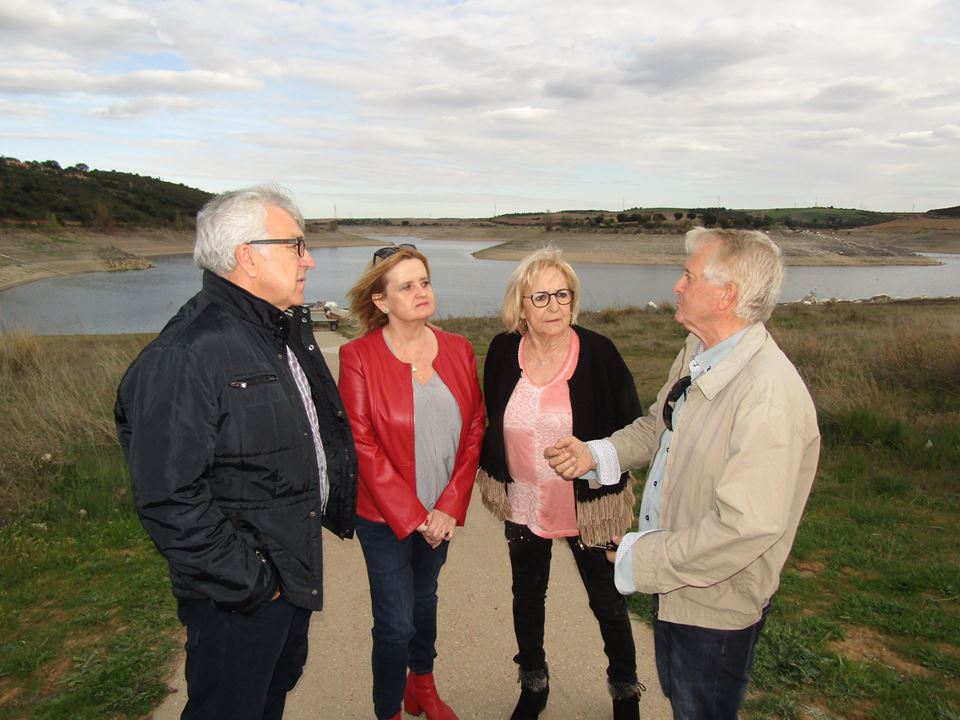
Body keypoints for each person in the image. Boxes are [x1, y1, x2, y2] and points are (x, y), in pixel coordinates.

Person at [547, 228, 821, 720]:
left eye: (689, 276)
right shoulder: (699, 351)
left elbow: (746, 528)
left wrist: (641, 555)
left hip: (715, 604)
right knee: (680, 700)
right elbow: (660, 424)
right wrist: (596, 454)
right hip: (680, 582)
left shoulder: (766, 398)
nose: (676, 285)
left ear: (727, 295)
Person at [115, 186, 357, 720]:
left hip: (287, 572)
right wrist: (251, 583)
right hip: (238, 596)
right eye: (296, 245)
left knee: (270, 696)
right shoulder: (187, 354)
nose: (309, 259)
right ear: (247, 255)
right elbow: (168, 498)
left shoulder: (277, 329)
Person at [476, 248, 644, 720]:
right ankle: (534, 683)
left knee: (607, 603)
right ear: (521, 306)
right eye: (542, 296)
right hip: (526, 502)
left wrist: (595, 463)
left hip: (587, 505)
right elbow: (494, 420)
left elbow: (632, 429)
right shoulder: (503, 353)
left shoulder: (600, 353)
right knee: (527, 595)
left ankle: (625, 691)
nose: (554, 306)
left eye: (563, 295)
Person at [338, 244, 485, 720]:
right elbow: (361, 444)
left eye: (424, 281)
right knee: (395, 624)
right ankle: (388, 711)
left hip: (440, 514)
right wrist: (416, 515)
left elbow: (475, 428)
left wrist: (448, 506)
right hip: (382, 517)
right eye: (407, 286)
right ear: (381, 301)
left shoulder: (459, 349)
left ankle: (422, 685)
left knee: (424, 601)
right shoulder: (357, 356)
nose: (421, 292)